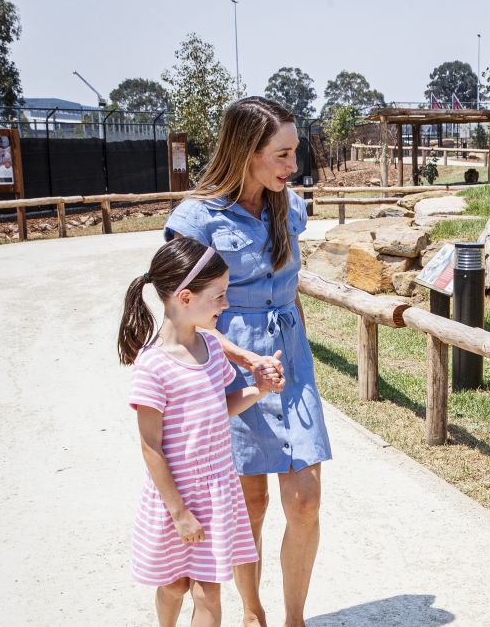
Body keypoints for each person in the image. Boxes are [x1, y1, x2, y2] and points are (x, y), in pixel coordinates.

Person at [163, 96, 329, 627]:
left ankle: (294, 619)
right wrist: (235, 356)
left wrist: (295, 351)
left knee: (304, 499)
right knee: (249, 502)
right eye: (281, 155)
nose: (292, 165)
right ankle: (252, 613)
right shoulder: (197, 218)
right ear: (245, 153)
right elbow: (174, 303)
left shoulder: (289, 207)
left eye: (294, 152)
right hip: (229, 360)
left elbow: (292, 287)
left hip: (289, 358)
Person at [119, 237, 285, 627]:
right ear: (186, 297)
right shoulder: (153, 366)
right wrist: (178, 513)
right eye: (219, 296)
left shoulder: (211, 346)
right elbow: (151, 447)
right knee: (174, 585)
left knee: (209, 590)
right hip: (174, 498)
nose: (225, 305)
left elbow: (218, 408)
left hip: (215, 491)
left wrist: (259, 388)